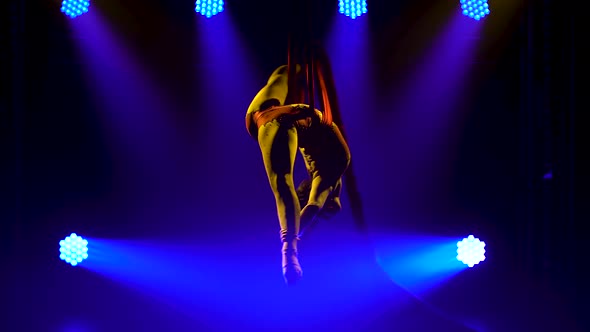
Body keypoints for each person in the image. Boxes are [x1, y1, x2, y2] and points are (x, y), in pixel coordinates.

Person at [245, 45, 351, 285]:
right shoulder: (333, 170)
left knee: (283, 183)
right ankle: (288, 251)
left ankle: (288, 251)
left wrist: (295, 237)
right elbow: (314, 206)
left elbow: (314, 205)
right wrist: (297, 238)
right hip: (270, 118)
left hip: (280, 118)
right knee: (282, 183)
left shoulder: (328, 172)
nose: (332, 207)